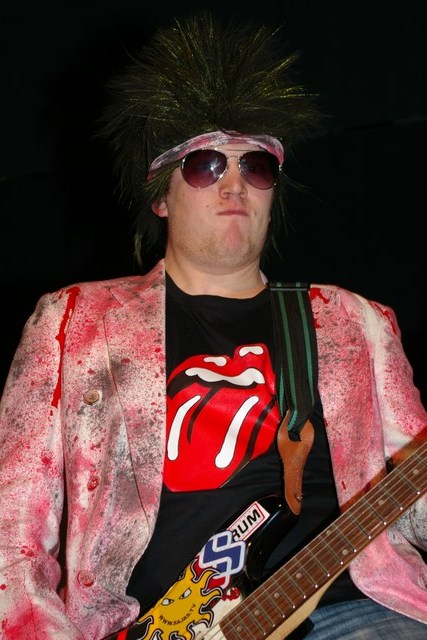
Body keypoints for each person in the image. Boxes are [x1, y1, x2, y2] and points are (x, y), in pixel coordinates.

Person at [0, 12, 426, 640]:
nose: (234, 185)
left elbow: (415, 511)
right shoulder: (74, 323)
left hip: (347, 608)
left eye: (256, 166)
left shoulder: (353, 323)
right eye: (205, 165)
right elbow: (12, 544)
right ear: (161, 196)